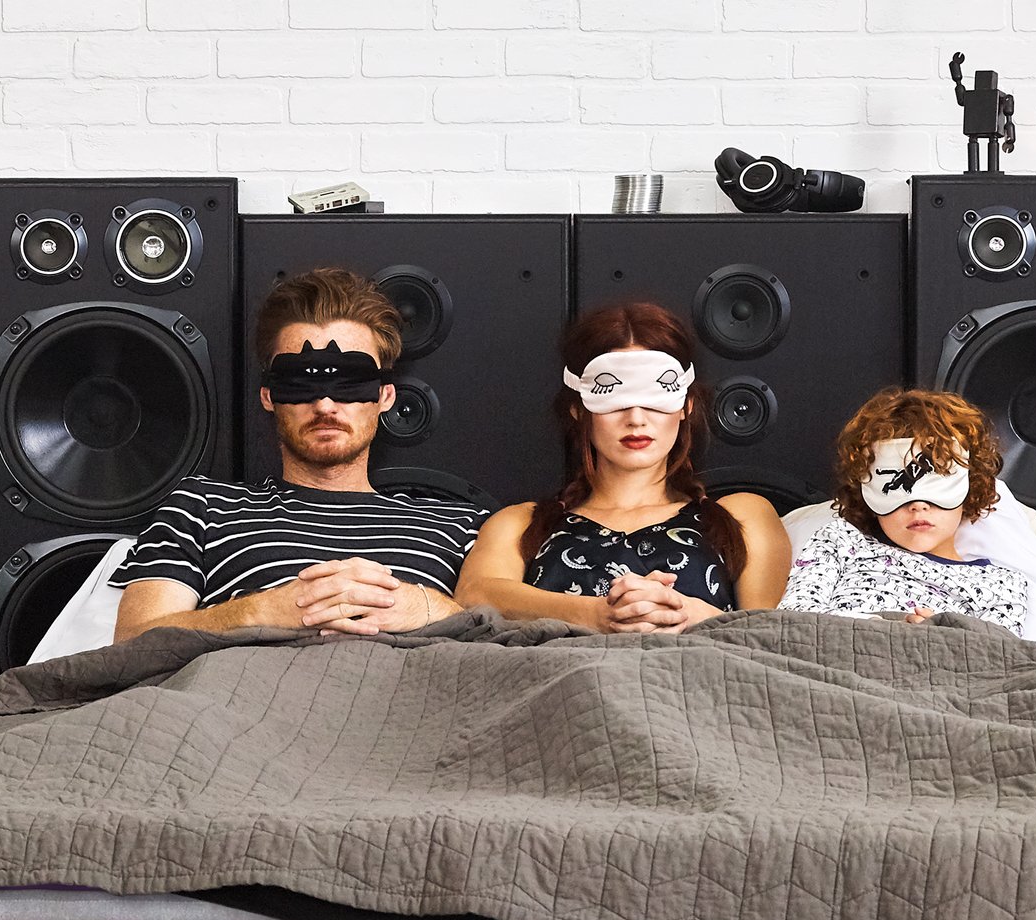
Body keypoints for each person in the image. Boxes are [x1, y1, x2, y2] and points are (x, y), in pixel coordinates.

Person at [113, 266, 486, 640]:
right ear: (268, 396)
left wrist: (426, 607)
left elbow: (504, 637)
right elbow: (131, 643)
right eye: (301, 382)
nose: (325, 405)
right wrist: (262, 610)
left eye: (349, 382)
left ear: (385, 396)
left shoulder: (459, 526)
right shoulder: (204, 509)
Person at [455, 300, 787, 633]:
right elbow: (475, 594)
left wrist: (691, 615)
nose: (636, 419)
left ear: (685, 406)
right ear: (578, 409)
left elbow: (770, 633)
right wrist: (596, 614)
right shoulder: (521, 524)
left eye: (657, 396)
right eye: (611, 394)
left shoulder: (741, 516)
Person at [780, 387, 1036, 637]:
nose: (918, 505)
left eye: (938, 478)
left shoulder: (1000, 585)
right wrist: (882, 629)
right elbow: (793, 617)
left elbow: (998, 655)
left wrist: (939, 638)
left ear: (971, 485)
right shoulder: (841, 542)